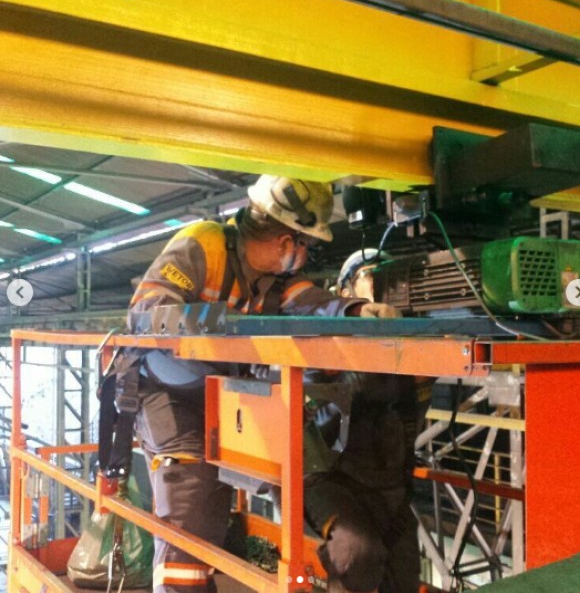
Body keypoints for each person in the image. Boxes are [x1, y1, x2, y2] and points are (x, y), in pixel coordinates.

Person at [124, 176, 398, 593]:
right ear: (285, 239)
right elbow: (146, 312)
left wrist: (358, 309)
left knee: (279, 469)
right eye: (305, 244)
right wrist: (208, 321)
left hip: (224, 391)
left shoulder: (277, 282)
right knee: (195, 500)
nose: (304, 256)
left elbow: (314, 303)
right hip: (167, 391)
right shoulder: (204, 244)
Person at [304, 248, 432, 593]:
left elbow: (411, 423)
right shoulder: (322, 342)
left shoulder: (406, 350)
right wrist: (352, 385)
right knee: (356, 552)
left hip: (389, 485)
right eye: (371, 273)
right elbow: (313, 430)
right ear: (345, 293)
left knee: (403, 576)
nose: (383, 281)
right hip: (332, 482)